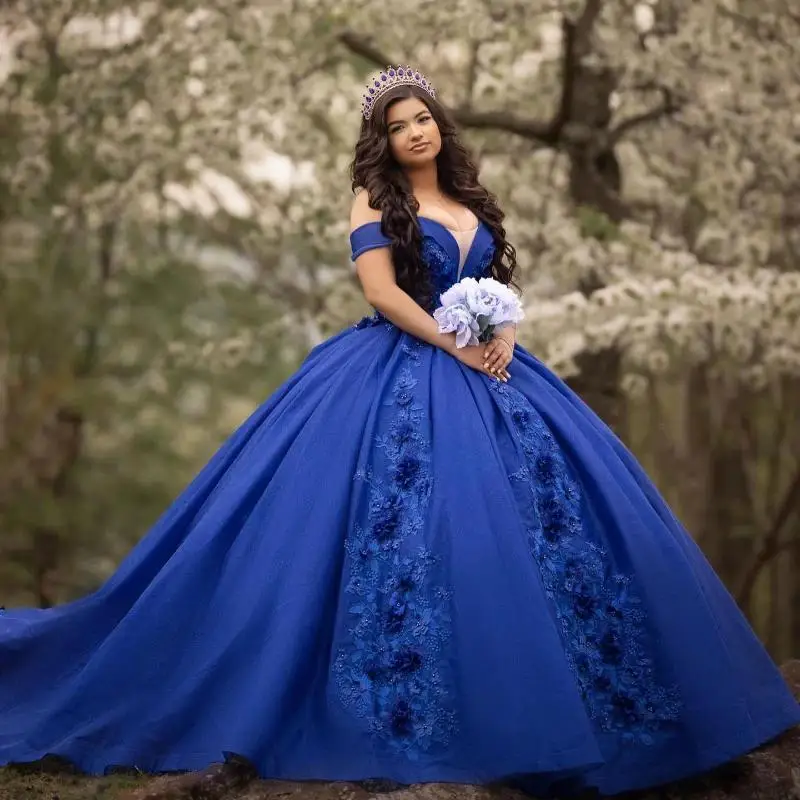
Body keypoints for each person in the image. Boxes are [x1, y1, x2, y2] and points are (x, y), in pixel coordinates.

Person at [0, 65, 798, 799]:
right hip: (396, 366)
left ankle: (585, 706)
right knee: (413, 520)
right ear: (381, 141)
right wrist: (451, 340)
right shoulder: (375, 201)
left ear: (440, 125)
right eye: (398, 125)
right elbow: (382, 292)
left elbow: (494, 283)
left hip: (493, 367)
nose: (415, 132)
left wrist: (502, 334)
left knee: (554, 521)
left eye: (423, 118)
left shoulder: (471, 201)